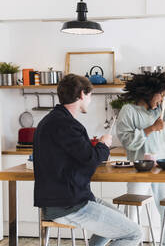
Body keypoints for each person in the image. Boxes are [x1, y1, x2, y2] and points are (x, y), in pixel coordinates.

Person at [33, 74, 142, 246]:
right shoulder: (67, 124)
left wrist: (98, 146)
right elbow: (91, 160)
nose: (90, 100)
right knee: (134, 233)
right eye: (91, 96)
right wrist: (104, 145)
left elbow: (79, 156)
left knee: (118, 222)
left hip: (65, 199)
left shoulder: (52, 120)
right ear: (82, 94)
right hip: (68, 204)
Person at [116, 69, 165, 245]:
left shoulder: (158, 111)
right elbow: (127, 142)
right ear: (148, 92)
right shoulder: (128, 111)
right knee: (132, 215)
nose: (162, 100)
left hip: (163, 168)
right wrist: (151, 129)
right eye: (160, 95)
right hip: (140, 170)